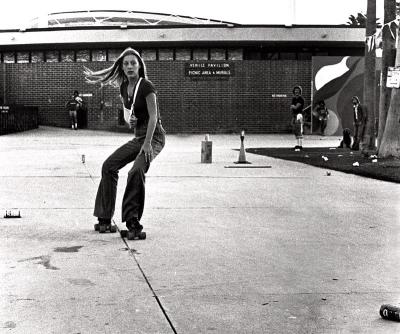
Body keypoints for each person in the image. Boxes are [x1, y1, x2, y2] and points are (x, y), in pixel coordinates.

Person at [84, 48, 166, 236]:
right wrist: (133, 121)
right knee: (109, 166)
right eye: (126, 63)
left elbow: (154, 117)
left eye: (133, 63)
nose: (130, 66)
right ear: (122, 67)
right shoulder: (124, 88)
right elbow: (131, 117)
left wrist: (147, 145)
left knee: (136, 170)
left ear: (139, 66)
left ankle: (132, 221)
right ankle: (104, 218)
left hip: (154, 137)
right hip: (139, 136)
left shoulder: (146, 86)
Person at [290, 85, 305, 149]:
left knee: (299, 130)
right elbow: (292, 107)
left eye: (298, 91)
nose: (296, 92)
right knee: (295, 130)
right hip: (294, 115)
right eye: (295, 91)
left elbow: (296, 107)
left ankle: (300, 145)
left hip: (299, 115)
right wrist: (293, 107)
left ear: (300, 92)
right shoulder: (294, 98)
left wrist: (293, 106)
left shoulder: (301, 99)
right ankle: (297, 144)